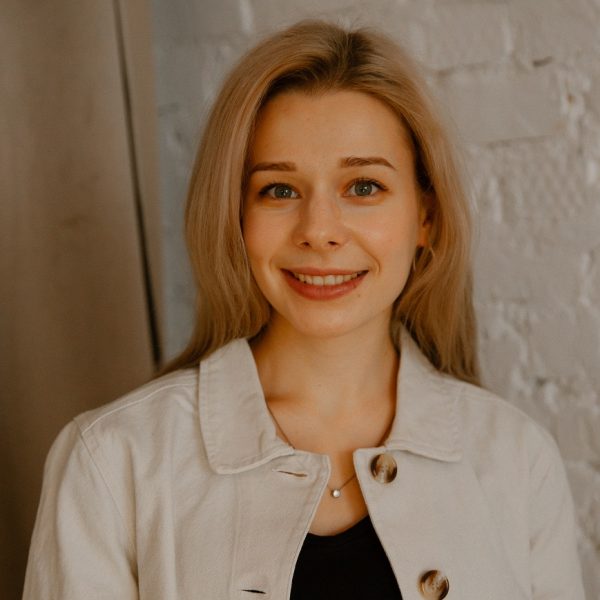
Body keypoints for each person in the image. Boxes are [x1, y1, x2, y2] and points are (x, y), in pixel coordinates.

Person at [23, 20, 585, 600]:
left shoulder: (518, 460)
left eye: (363, 186)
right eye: (279, 190)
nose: (319, 231)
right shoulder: (111, 461)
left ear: (426, 216)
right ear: (235, 217)